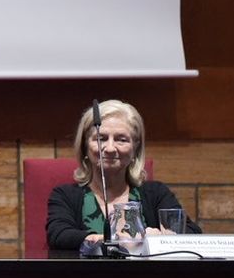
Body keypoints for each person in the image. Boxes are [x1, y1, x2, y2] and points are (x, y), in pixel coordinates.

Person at [46, 99, 201, 253]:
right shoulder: (65, 195)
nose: (110, 148)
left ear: (135, 148)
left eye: (121, 140)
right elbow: (58, 234)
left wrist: (162, 238)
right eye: (101, 139)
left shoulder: (156, 194)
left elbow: (191, 232)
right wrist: (122, 241)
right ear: (85, 146)